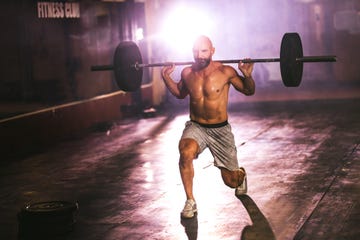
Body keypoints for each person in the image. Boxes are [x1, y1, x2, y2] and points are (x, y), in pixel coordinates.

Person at [161, 35, 255, 219]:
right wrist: (166, 77)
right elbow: (180, 93)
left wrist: (247, 75)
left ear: (212, 50)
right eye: (195, 51)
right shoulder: (187, 73)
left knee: (231, 181)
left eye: (203, 51)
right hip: (196, 126)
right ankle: (190, 201)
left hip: (220, 130)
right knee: (185, 152)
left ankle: (240, 174)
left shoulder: (225, 72)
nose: (199, 55)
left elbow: (248, 90)